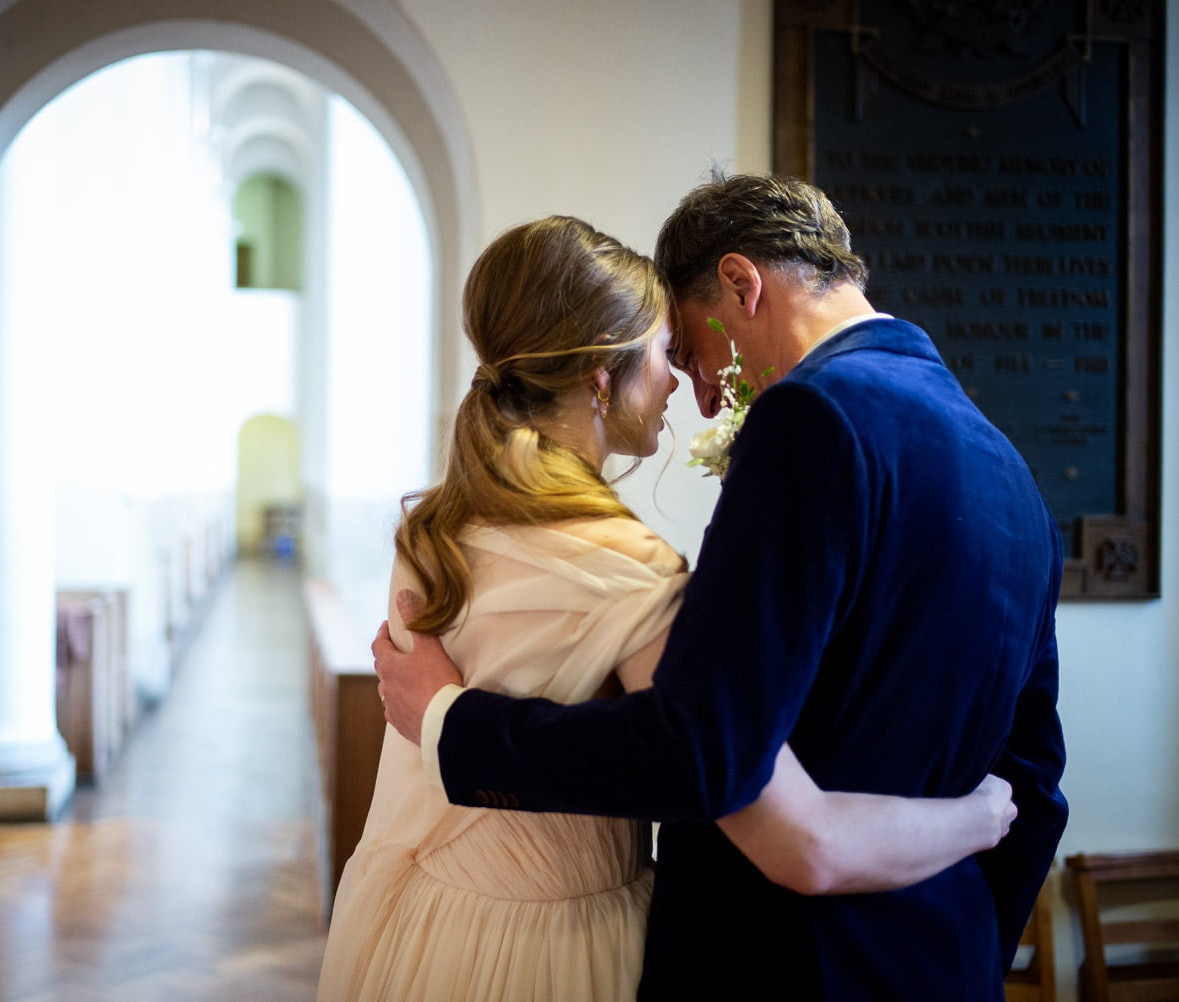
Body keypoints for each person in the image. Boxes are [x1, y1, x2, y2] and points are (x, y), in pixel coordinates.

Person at [374, 177, 1068, 1001]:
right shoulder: (1015, 476)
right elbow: (1035, 781)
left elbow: (706, 749)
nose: (703, 394)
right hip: (942, 960)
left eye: (693, 351)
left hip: (778, 965)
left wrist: (455, 728)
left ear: (742, 285)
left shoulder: (812, 419)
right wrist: (968, 947)